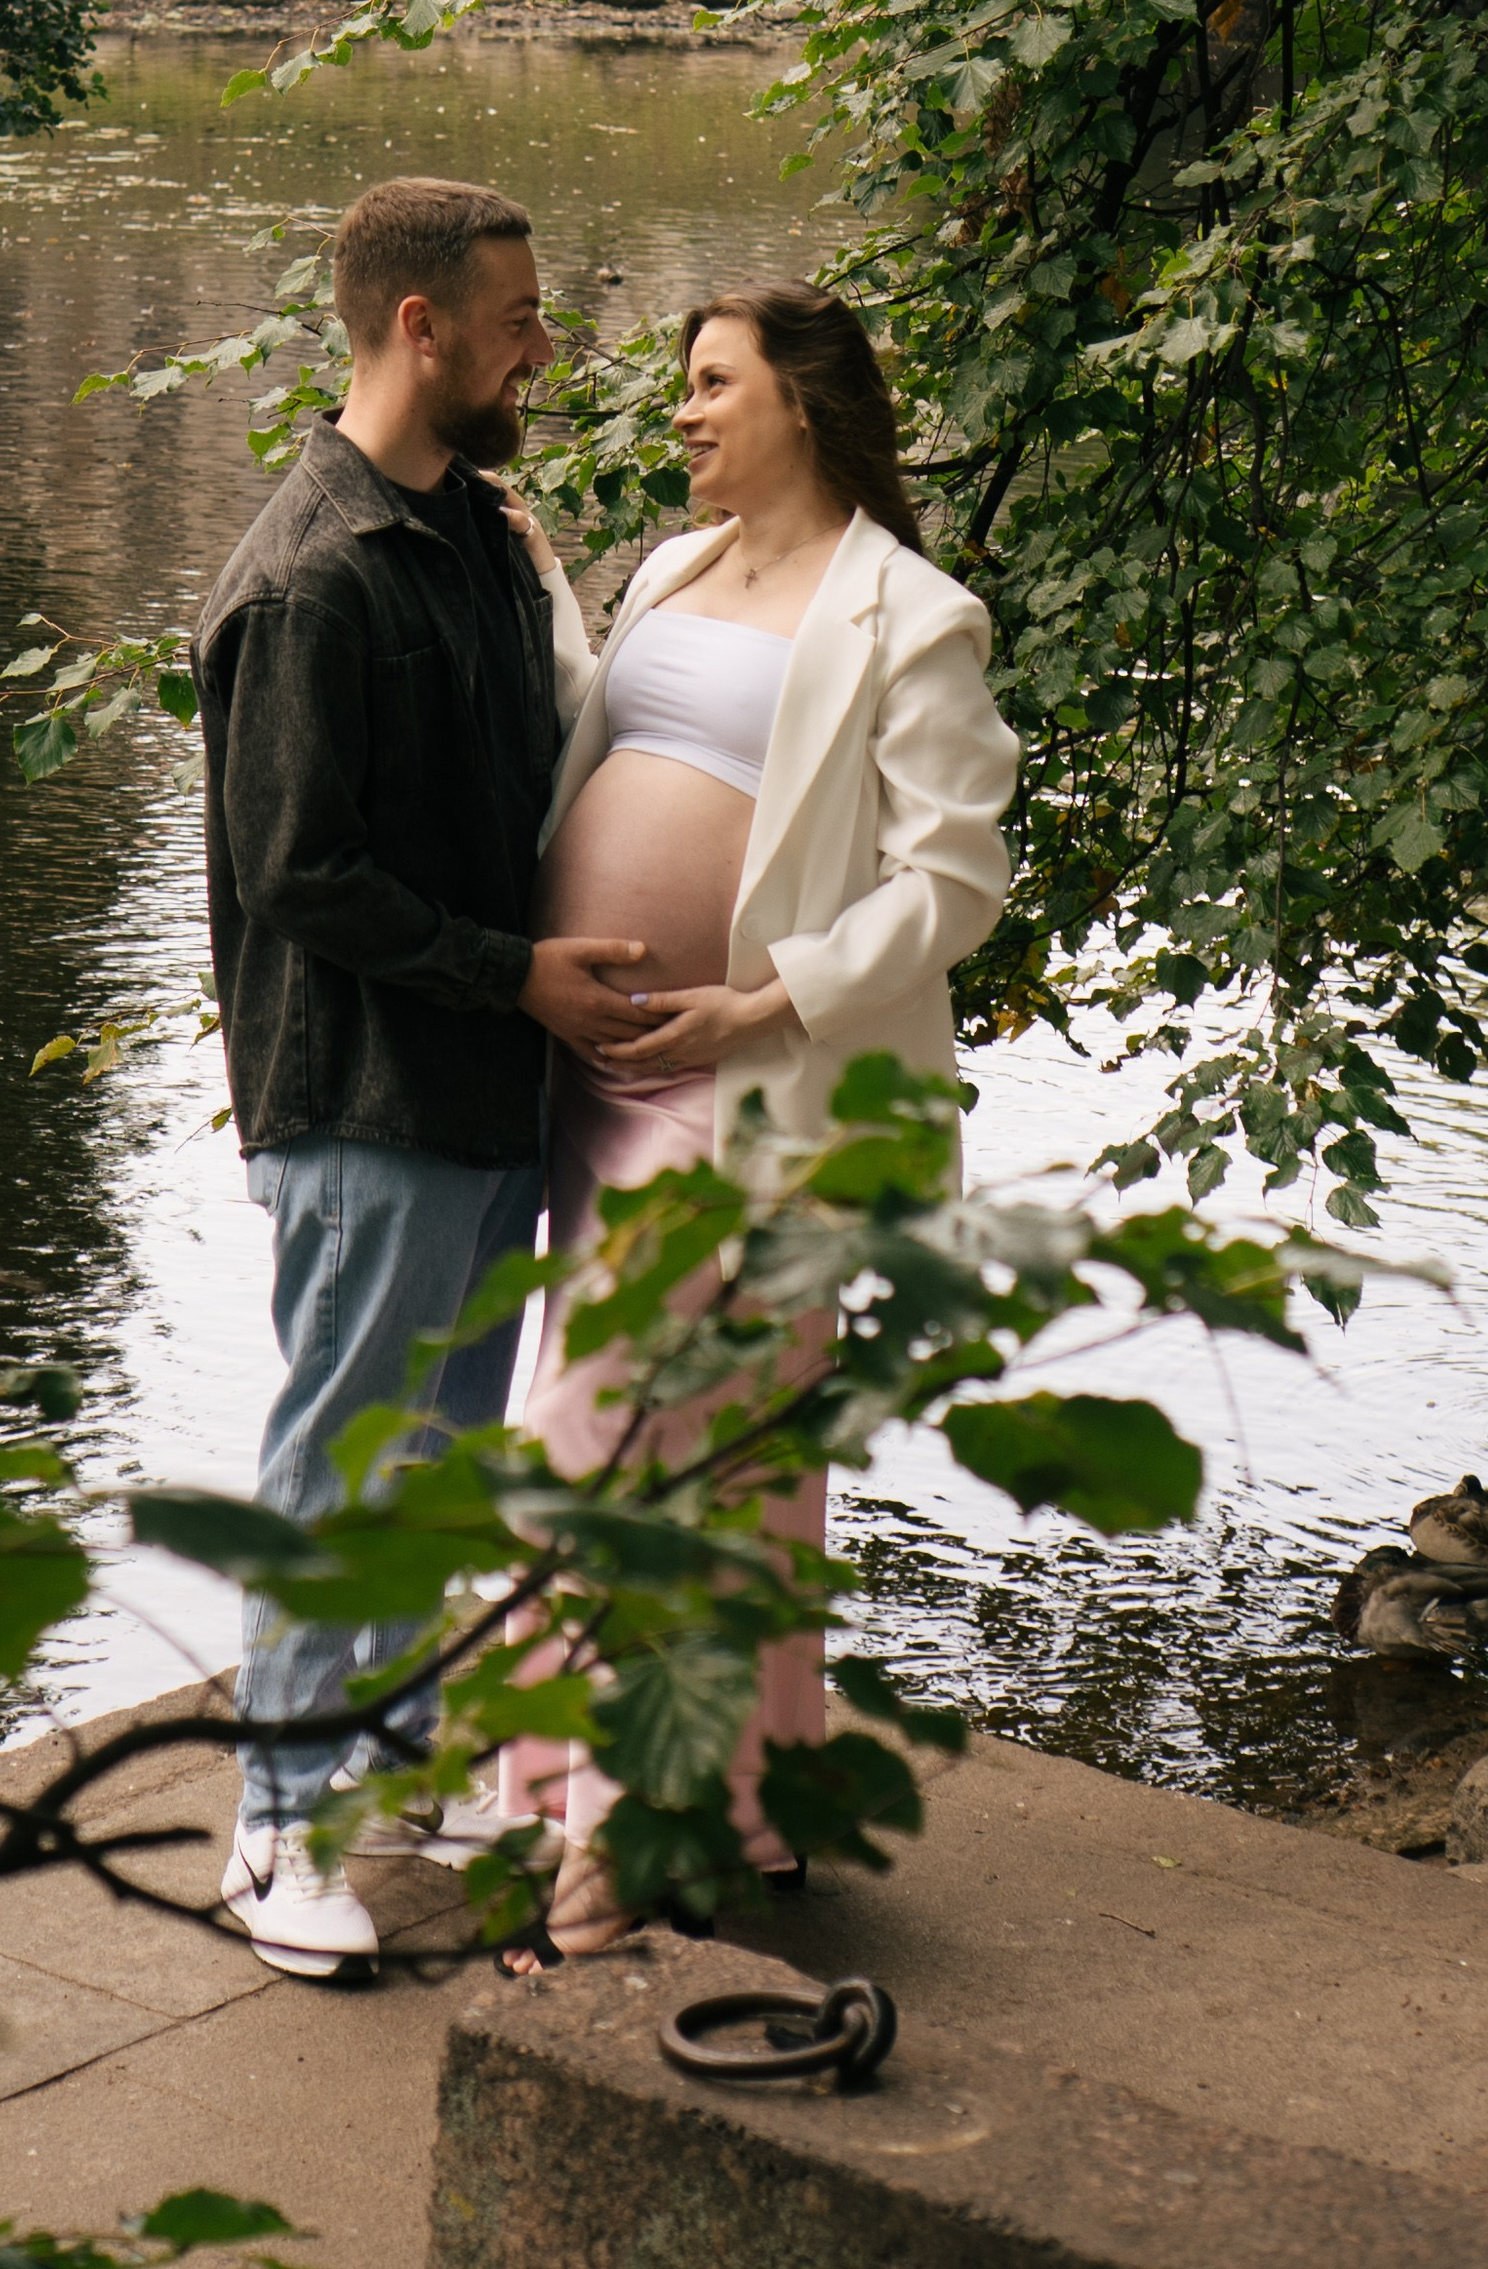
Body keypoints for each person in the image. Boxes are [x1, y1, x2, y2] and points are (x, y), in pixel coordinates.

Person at [496, 278, 1020, 1957]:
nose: (686, 413)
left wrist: (768, 993)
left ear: (803, 398)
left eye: (714, 384)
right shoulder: (670, 567)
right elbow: (624, 729)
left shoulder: (912, 614)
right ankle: (743, 1803)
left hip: (746, 1080)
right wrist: (529, 585)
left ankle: (598, 1841)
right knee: (732, 1460)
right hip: (598, 1072)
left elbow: (957, 879)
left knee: (609, 1434)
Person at [192, 174, 645, 1983]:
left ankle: (381, 1749)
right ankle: (268, 1833)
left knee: (443, 1452)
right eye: (521, 319)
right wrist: (513, 973)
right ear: (419, 327)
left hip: (480, 1093)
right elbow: (302, 870)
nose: (547, 346)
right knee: (340, 1460)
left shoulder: (468, 525)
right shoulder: (309, 575)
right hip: (368, 1093)